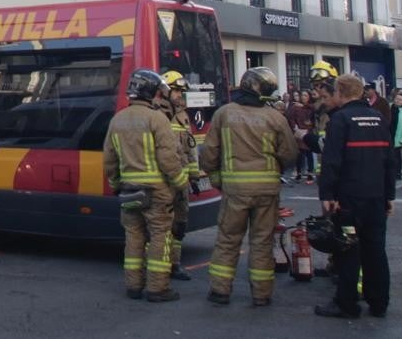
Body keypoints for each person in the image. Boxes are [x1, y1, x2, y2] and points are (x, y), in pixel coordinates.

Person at [201, 67, 298, 307]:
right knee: (262, 242)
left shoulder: (224, 114)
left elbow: (209, 153)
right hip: (267, 191)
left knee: (228, 239)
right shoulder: (275, 117)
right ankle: (261, 294)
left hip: (234, 190)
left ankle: (220, 291)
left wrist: (216, 178)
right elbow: (289, 153)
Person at [314, 74, 397, 319]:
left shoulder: (340, 119)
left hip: (349, 199)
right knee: (376, 250)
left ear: (340, 92)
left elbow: (332, 160)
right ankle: (379, 302)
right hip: (376, 197)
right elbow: (390, 160)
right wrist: (389, 195)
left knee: (348, 249)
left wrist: (327, 194)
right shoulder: (378, 118)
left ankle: (346, 303)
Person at [103, 69, 186, 302]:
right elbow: (168, 159)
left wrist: (116, 184)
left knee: (133, 237)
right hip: (156, 191)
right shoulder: (157, 119)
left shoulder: (117, 120)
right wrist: (180, 183)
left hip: (128, 190)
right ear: (151, 92)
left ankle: (133, 286)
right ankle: (157, 289)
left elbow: (109, 160)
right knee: (160, 236)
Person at [158, 70, 199, 281]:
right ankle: (159, 266)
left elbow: (190, 148)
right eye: (176, 91)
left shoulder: (183, 115)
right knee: (161, 225)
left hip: (181, 181)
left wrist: (194, 175)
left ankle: (175, 264)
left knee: (179, 224)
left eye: (181, 92)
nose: (180, 95)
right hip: (164, 181)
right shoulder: (157, 114)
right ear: (165, 91)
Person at [287, 90, 316, 183]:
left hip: (308, 131)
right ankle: (299, 172)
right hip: (298, 131)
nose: (303, 97)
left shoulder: (311, 107)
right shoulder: (295, 107)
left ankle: (310, 173)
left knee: (309, 153)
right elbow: (290, 117)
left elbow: (315, 115)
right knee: (299, 153)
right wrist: (295, 127)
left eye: (305, 95)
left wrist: (311, 126)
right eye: (302, 95)